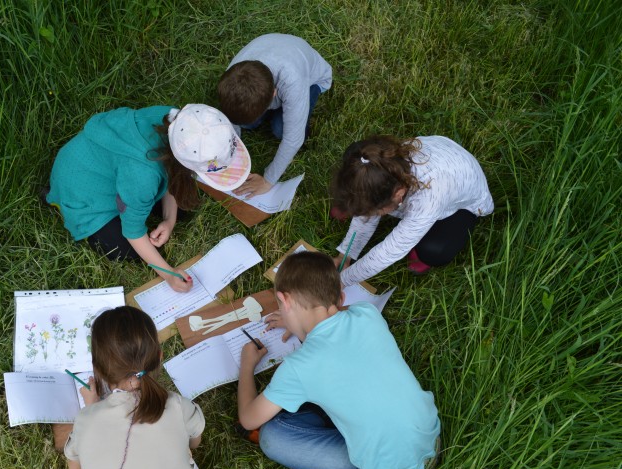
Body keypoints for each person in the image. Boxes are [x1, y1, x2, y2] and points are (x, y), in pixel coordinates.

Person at [237, 252, 440, 469]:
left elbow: (248, 420)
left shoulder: (298, 368)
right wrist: (297, 322)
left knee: (273, 435)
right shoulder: (368, 315)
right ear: (341, 297)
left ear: (283, 300)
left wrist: (246, 366)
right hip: (431, 441)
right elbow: (335, 317)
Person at [45, 103, 252, 292]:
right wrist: (168, 274)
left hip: (114, 172)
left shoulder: (180, 121)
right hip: (82, 193)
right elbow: (133, 232)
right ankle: (59, 202)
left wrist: (169, 220)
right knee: (125, 251)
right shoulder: (142, 176)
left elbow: (174, 172)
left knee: (182, 207)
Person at [63, 306, 208, 469]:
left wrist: (92, 408)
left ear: (97, 371)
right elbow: (195, 442)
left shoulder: (86, 419)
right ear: (159, 356)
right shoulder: (178, 406)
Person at [330, 135, 494, 284]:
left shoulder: (429, 197)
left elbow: (390, 250)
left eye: (372, 212)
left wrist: (343, 282)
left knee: (433, 251)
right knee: (359, 203)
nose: (366, 215)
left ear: (399, 194)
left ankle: (428, 252)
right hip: (444, 158)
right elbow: (370, 194)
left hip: (465, 202)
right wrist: (346, 255)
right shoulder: (381, 166)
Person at [218, 34, 333, 198]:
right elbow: (230, 116)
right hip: (276, 53)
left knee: (280, 129)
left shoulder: (293, 81)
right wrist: (232, 149)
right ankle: (256, 117)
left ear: (273, 94)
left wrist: (268, 180)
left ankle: (274, 115)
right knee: (246, 123)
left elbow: (293, 140)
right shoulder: (234, 75)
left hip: (312, 80)